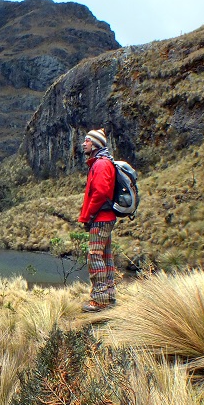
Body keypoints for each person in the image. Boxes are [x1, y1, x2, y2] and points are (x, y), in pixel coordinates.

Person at [78, 128, 117, 312]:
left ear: (95, 144)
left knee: (95, 256)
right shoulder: (104, 163)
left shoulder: (100, 165)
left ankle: (100, 300)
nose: (83, 144)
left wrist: (89, 215)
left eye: (87, 141)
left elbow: (100, 193)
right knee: (106, 256)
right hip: (106, 217)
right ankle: (109, 295)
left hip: (100, 218)